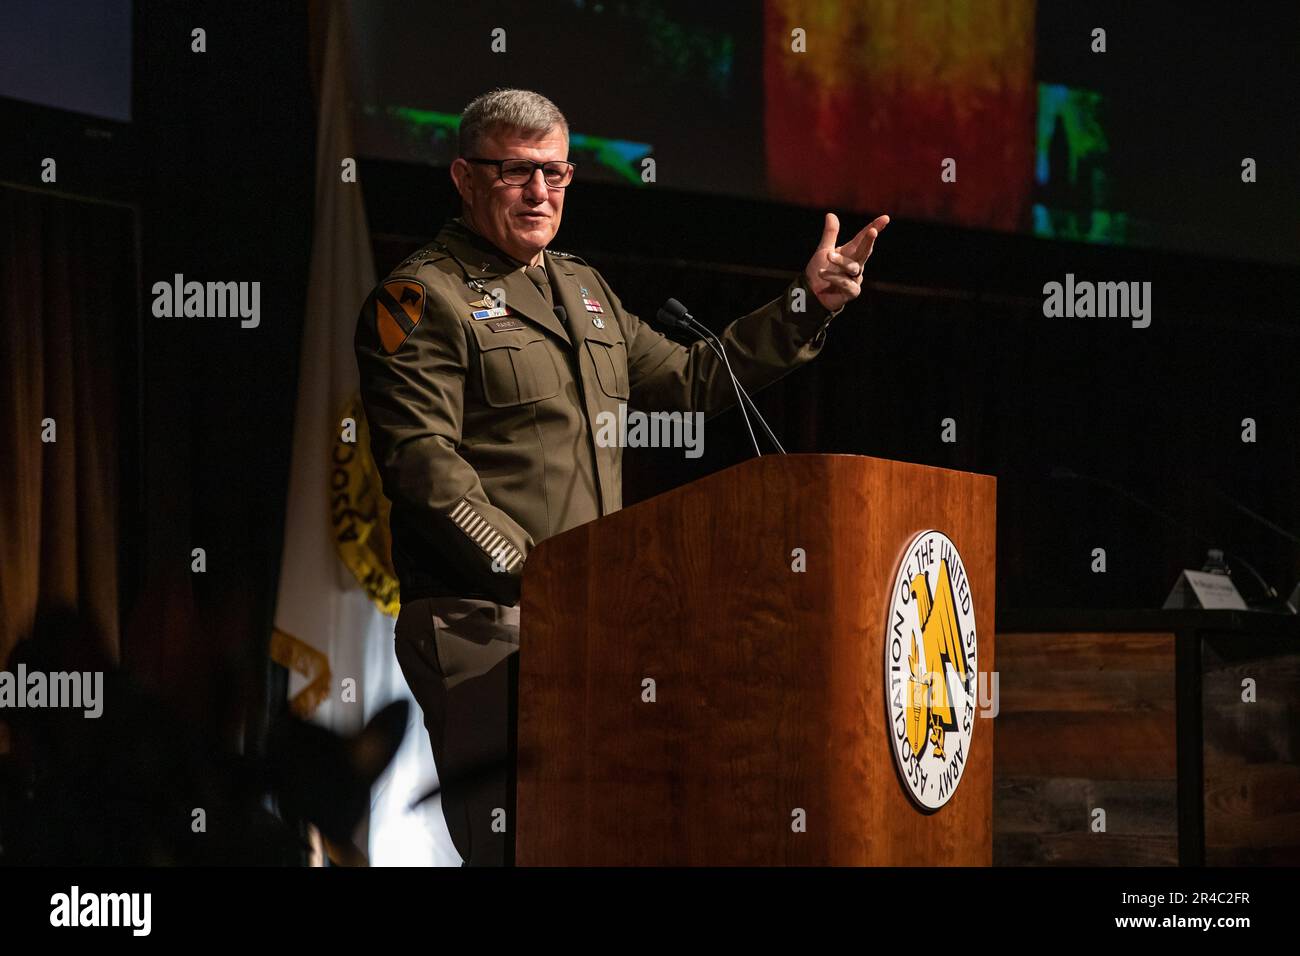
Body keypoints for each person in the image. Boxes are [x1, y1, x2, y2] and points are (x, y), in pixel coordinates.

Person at [354, 88, 888, 865]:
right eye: (516, 173)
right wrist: (545, 574)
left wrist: (806, 307)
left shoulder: (583, 290)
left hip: (588, 627)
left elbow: (700, 379)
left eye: (557, 175)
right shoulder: (420, 299)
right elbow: (425, 468)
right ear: (465, 178)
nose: (541, 193)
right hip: (484, 627)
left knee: (598, 844)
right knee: (523, 848)